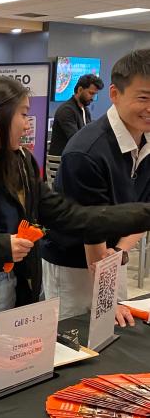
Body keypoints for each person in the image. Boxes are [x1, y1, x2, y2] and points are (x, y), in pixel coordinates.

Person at [0, 74, 150, 358]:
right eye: (22, 114)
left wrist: (143, 215)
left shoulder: (20, 164)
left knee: (0, 389)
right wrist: (0, 246)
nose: (27, 123)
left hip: (12, 298)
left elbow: (70, 216)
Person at [42, 49, 150, 321]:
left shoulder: (146, 141)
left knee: (118, 331)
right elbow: (92, 228)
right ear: (115, 94)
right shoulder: (87, 152)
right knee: (75, 342)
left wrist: (120, 252)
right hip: (74, 263)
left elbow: (145, 211)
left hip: (111, 257)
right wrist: (106, 300)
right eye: (144, 98)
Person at [48, 73, 104, 156]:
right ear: (80, 90)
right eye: (91, 93)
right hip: (62, 162)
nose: (92, 98)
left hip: (75, 158)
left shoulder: (85, 110)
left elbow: (89, 135)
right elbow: (76, 140)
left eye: (94, 94)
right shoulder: (66, 111)